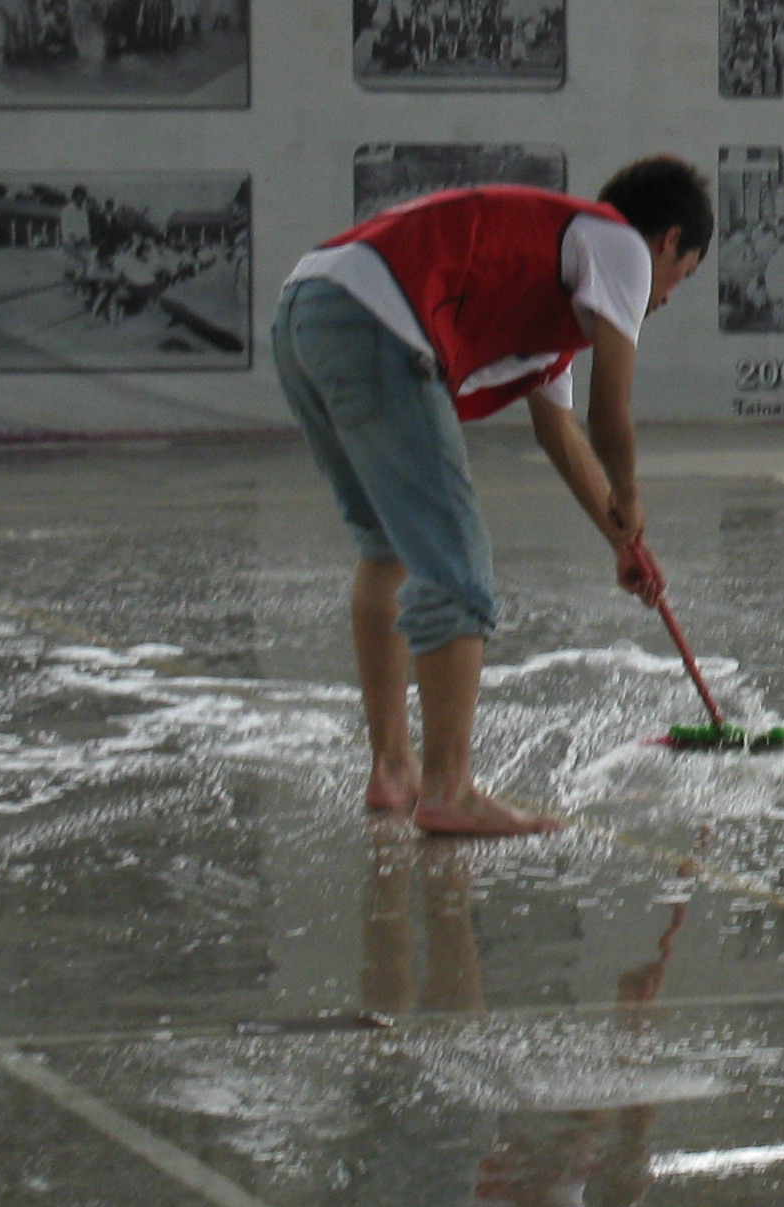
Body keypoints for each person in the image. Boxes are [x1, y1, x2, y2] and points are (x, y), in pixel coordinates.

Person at [272, 159, 711, 839]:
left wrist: (623, 541)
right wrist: (630, 493)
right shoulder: (620, 244)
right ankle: (450, 789)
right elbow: (608, 417)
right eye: (682, 275)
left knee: (388, 548)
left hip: (308, 310)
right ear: (667, 241)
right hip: (376, 316)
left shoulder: (556, 299)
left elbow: (560, 435)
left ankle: (394, 770)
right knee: (456, 563)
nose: (667, 297)